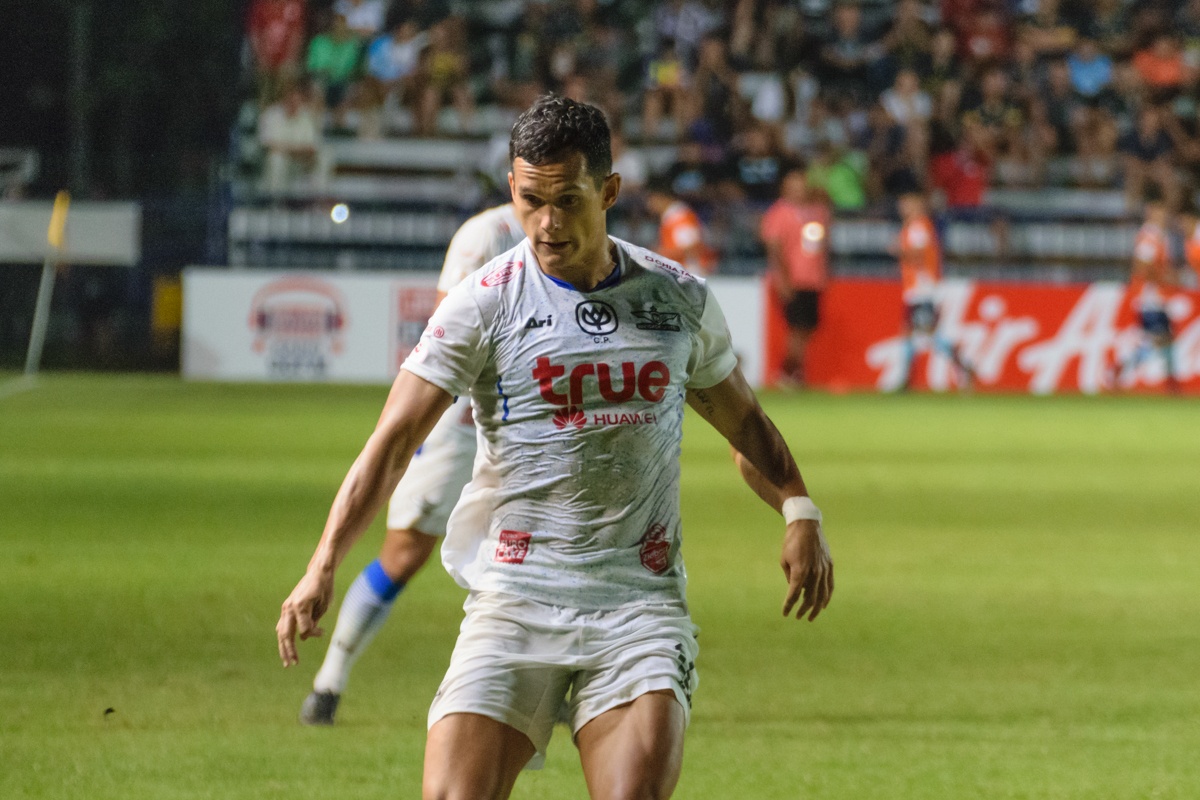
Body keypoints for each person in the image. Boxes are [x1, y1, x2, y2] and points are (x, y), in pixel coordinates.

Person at [276, 95, 834, 800]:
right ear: (512, 189)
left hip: (638, 606)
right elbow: (391, 444)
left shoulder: (676, 301)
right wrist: (322, 563)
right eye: (530, 200)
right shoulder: (483, 303)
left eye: (567, 200)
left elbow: (745, 426)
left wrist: (799, 509)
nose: (546, 223)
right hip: (512, 601)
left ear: (608, 191)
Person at [299, 202, 525, 725]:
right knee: (404, 554)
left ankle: (549, 685)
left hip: (532, 426)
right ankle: (329, 682)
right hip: (461, 424)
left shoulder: (582, 232)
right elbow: (450, 326)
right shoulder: (487, 234)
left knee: (541, 550)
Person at [892, 190, 974, 392]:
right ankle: (906, 379)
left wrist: (899, 251)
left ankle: (963, 367)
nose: (903, 208)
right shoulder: (915, 226)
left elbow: (919, 255)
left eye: (907, 203)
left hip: (923, 289)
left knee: (928, 334)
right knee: (911, 333)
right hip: (915, 290)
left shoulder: (919, 226)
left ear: (918, 204)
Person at [760, 168, 831, 387]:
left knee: (808, 327)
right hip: (793, 279)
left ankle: (794, 372)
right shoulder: (778, 213)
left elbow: (823, 242)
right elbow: (774, 248)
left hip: (814, 278)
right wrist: (782, 278)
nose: (799, 190)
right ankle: (788, 373)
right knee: (796, 327)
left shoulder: (817, 211)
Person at [1110, 197, 1180, 391]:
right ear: (1150, 211)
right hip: (1150, 296)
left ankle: (1171, 381)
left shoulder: (1159, 235)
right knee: (1157, 338)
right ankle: (1121, 368)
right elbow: (1142, 266)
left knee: (1165, 337)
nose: (1163, 215)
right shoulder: (1149, 236)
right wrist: (1162, 278)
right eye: (1159, 211)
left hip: (1158, 296)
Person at [644, 177, 717, 276]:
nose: (648, 205)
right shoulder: (671, 217)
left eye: (650, 199)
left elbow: (692, 249)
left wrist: (659, 254)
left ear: (660, 197)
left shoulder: (680, 217)